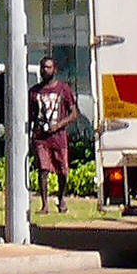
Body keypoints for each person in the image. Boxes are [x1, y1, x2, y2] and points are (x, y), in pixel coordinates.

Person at [28, 56, 79, 214]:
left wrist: (59, 125)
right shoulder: (34, 92)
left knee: (62, 171)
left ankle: (61, 197)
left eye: (48, 67)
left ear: (55, 70)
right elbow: (30, 115)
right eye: (43, 67)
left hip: (58, 137)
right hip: (41, 138)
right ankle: (45, 204)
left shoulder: (63, 89)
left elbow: (74, 113)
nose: (45, 70)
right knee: (43, 170)